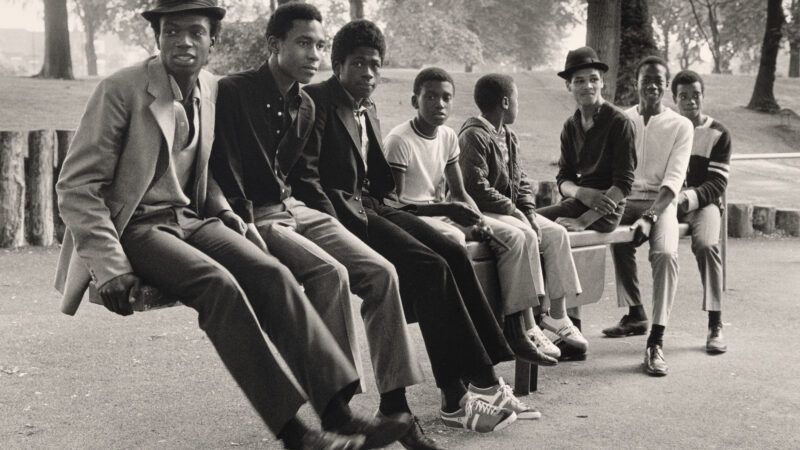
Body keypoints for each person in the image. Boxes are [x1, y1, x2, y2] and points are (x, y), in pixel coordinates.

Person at [53, 2, 410, 449]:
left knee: (271, 273)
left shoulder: (209, 88)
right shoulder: (121, 90)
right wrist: (109, 266)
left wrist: (226, 214)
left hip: (192, 217)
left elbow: (205, 171)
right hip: (136, 225)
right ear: (157, 38)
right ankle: (295, 435)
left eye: (195, 33)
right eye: (172, 32)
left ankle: (338, 412)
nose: (183, 42)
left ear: (213, 42)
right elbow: (76, 186)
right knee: (217, 285)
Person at [301, 19, 540, 436]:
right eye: (358, 64)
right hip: (343, 215)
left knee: (452, 253)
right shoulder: (317, 100)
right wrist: (341, 224)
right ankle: (456, 396)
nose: (369, 74)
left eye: (375, 65)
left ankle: (484, 378)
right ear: (337, 65)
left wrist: (431, 211)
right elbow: (309, 179)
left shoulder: (368, 106)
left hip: (377, 206)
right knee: (428, 267)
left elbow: (377, 178)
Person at [209, 2, 427, 435]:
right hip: (255, 215)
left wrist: (334, 225)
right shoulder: (235, 91)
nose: (314, 54)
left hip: (293, 208)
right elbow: (224, 169)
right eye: (303, 43)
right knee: (330, 274)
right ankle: (339, 405)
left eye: (319, 45)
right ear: (274, 44)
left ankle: (396, 407)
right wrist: (246, 223)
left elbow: (295, 177)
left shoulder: (305, 106)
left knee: (382, 272)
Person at [384, 67, 563, 368]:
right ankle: (476, 333)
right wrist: (450, 211)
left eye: (446, 98)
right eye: (430, 97)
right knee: (456, 240)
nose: (439, 104)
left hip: (442, 212)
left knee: (515, 236)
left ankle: (518, 328)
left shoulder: (448, 136)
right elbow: (393, 204)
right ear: (414, 100)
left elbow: (460, 193)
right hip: (413, 215)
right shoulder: (399, 140)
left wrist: (477, 217)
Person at [458, 73, 587, 359]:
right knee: (526, 235)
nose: (519, 105)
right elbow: (474, 187)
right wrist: (516, 211)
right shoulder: (473, 136)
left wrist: (528, 212)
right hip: (485, 210)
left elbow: (522, 181)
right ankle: (528, 325)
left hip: (510, 210)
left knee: (555, 233)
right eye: (517, 99)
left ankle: (557, 314)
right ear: (505, 102)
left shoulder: (509, 136)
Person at [534, 47, 638, 358]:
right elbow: (563, 179)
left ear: (602, 83)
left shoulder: (619, 122)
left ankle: (556, 322)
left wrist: (583, 220)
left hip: (607, 211)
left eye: (593, 80)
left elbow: (624, 185)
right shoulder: (570, 126)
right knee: (529, 224)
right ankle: (546, 319)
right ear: (569, 86)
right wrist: (581, 193)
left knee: (552, 232)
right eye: (579, 81)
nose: (587, 86)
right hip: (579, 201)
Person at [600, 56, 693, 377]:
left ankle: (656, 340)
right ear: (636, 83)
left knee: (666, 254)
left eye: (659, 80)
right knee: (609, 235)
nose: (652, 85)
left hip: (661, 202)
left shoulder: (681, 125)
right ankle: (634, 313)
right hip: (625, 197)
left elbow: (674, 181)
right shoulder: (622, 120)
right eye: (646, 79)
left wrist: (650, 217)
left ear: (667, 86)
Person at [671, 69, 731, 354]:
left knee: (707, 244)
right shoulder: (668, 127)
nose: (691, 101)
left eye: (696, 95)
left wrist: (689, 198)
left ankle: (715, 324)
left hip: (703, 204)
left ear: (702, 96)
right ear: (675, 99)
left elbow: (718, 182)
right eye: (684, 96)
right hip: (667, 201)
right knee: (627, 232)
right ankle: (635, 313)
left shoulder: (718, 133)